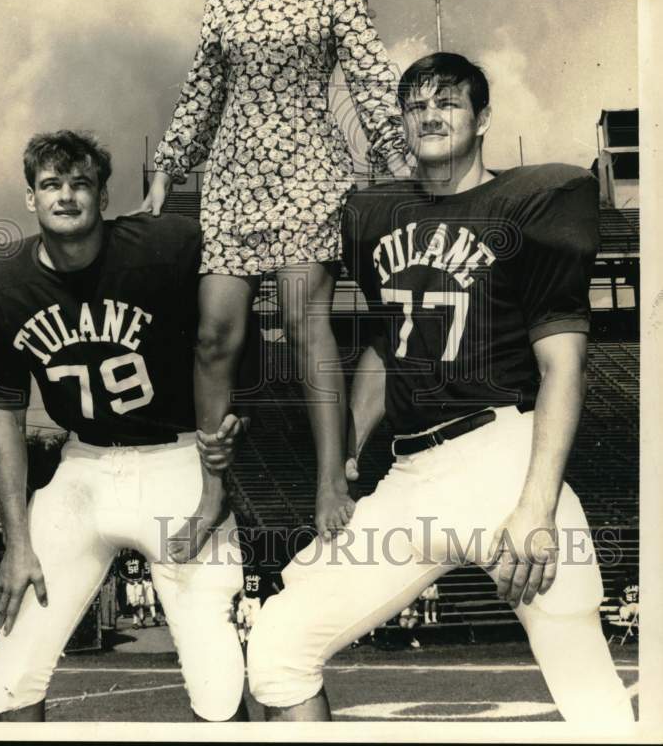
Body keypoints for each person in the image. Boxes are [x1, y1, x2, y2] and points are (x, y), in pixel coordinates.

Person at [246, 52, 634, 726]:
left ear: (483, 117)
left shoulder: (534, 201)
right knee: (277, 650)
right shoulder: (377, 215)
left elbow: (562, 367)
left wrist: (536, 508)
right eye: (417, 104)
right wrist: (345, 454)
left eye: (449, 101)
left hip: (505, 459)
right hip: (411, 476)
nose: (431, 114)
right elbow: (382, 345)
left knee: (588, 690)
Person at [141, 0, 409, 559]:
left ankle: (330, 482)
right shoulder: (225, 2)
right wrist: (169, 168)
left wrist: (397, 158)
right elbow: (202, 94)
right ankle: (212, 492)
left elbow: (374, 81)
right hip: (232, 178)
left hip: (308, 170)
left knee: (301, 320)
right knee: (213, 338)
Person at [0, 130, 246, 722]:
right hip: (82, 471)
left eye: (81, 184)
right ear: (30, 198)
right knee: (9, 678)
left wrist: (215, 488)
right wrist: (17, 544)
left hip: (176, 461)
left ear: (105, 196)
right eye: (51, 184)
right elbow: (3, 416)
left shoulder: (167, 247)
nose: (67, 196)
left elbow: (223, 344)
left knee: (217, 680)